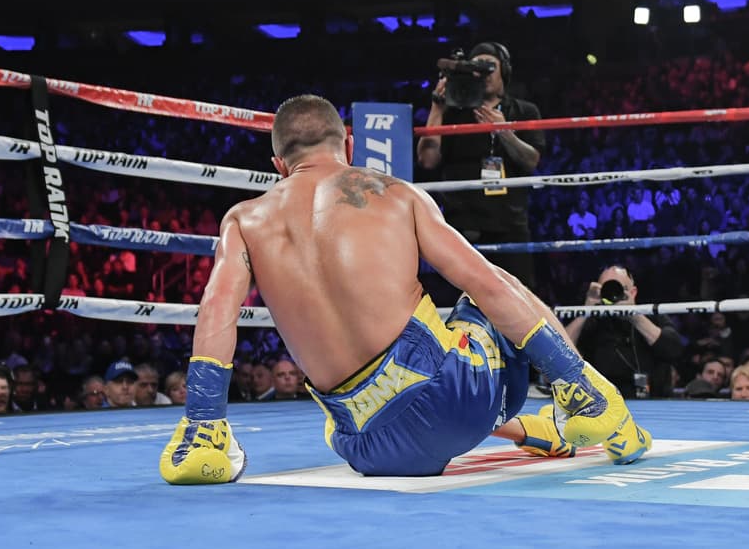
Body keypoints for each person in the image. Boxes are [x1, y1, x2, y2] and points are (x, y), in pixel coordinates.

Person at [160, 95, 649, 485]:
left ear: (278, 164)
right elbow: (486, 283)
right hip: (456, 404)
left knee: (349, 406)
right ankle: (589, 399)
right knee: (494, 287)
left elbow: (216, 314)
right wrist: (576, 373)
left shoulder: (244, 219)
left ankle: (204, 437)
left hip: (367, 449)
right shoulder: (396, 194)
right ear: (347, 146)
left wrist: (204, 423)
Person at [416, 42, 544, 290]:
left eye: (489, 67)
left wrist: (505, 132)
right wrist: (436, 107)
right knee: (460, 303)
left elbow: (532, 160)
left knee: (519, 299)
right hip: (462, 225)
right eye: (477, 68)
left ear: (505, 71)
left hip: (509, 224)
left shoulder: (525, 110)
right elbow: (427, 160)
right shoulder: (451, 114)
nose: (483, 74)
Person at [564, 265, 684, 399]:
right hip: (604, 404)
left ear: (632, 292)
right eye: (606, 288)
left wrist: (635, 317)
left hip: (655, 400)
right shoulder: (592, 321)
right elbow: (558, 352)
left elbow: (674, 349)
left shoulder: (650, 315)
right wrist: (586, 310)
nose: (612, 293)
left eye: (617, 288)